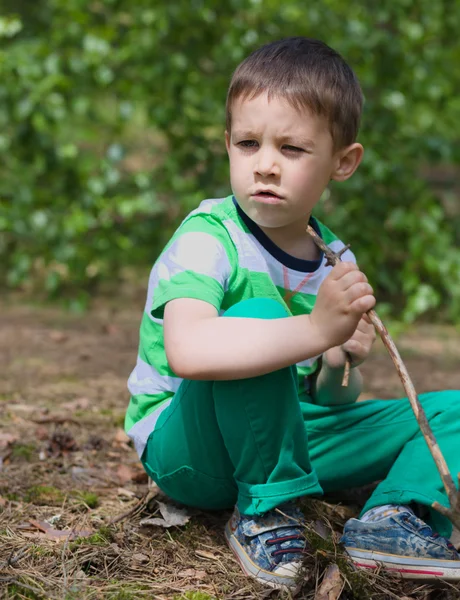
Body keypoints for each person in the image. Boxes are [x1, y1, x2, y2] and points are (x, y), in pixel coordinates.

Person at [125, 37, 460, 589]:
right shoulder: (209, 238)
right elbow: (188, 350)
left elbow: (330, 400)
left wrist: (333, 358)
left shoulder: (335, 259)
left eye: (293, 149)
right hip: (191, 452)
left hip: (289, 434)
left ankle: (390, 519)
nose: (267, 166)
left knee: (448, 411)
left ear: (342, 162)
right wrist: (311, 328)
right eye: (249, 144)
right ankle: (267, 510)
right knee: (254, 315)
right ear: (227, 145)